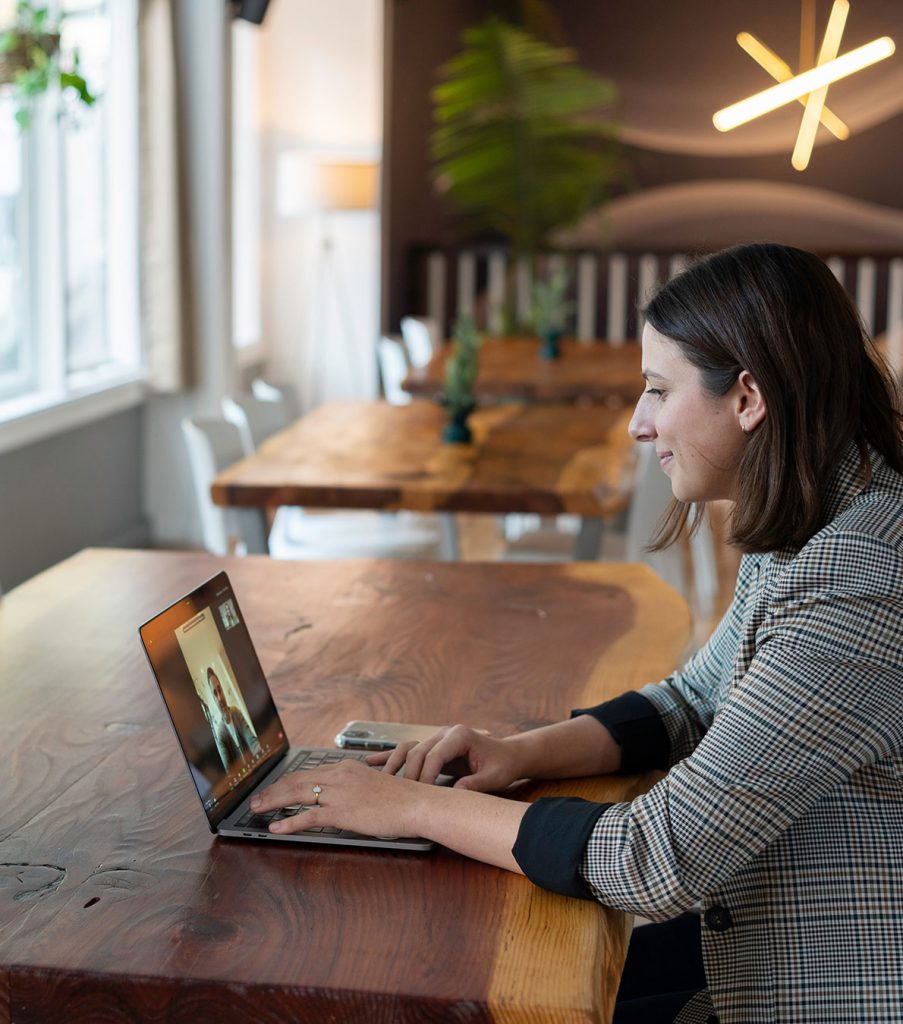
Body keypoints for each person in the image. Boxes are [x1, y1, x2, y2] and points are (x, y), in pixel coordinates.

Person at [251, 243, 903, 1023]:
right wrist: (518, 751)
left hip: (830, 981)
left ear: (747, 396)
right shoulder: (819, 511)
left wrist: (408, 809)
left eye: (658, 391)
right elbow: (693, 699)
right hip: (764, 926)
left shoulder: (862, 574)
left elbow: (655, 857)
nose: (637, 424)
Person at [206, 666, 260, 771]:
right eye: (215, 693)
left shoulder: (236, 712)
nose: (220, 698)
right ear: (213, 698)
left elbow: (253, 742)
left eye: (219, 690)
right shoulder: (220, 735)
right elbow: (229, 772)